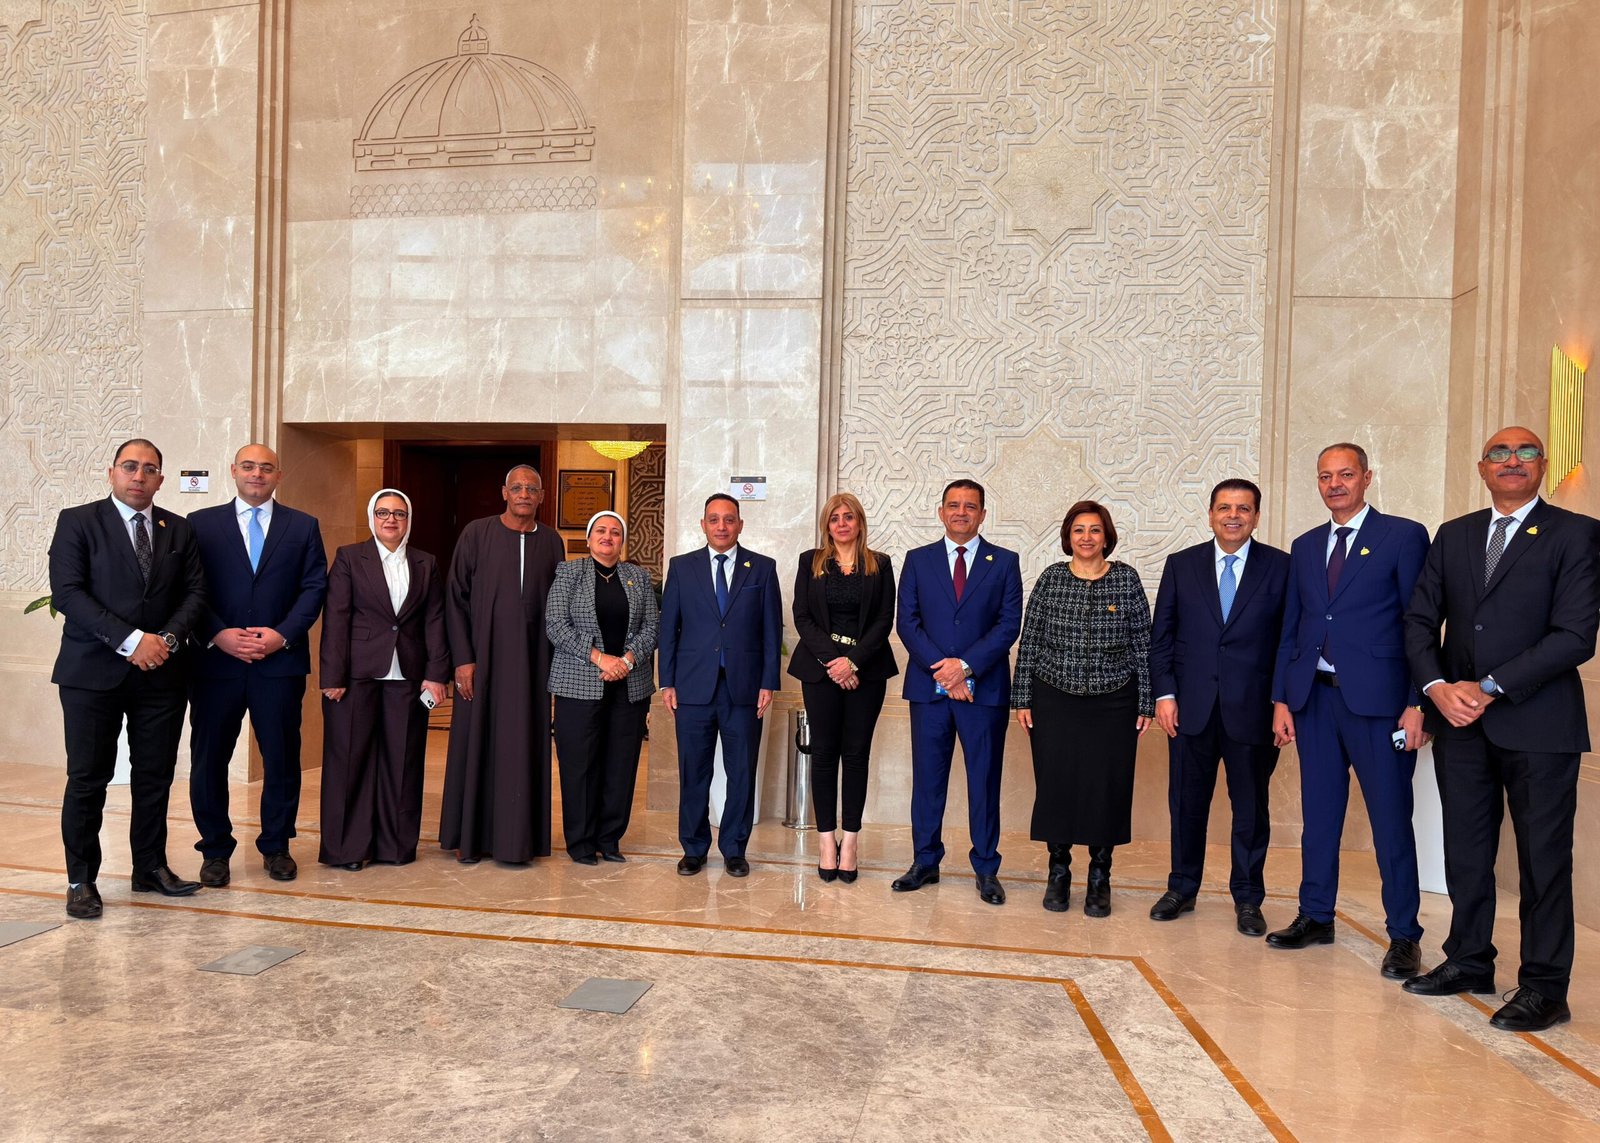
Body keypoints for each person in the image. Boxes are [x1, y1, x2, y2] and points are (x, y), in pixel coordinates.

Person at [1402, 427, 1600, 1032]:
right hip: (1459, 724)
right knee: (1466, 852)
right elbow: (1418, 621)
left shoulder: (1575, 533)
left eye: (1525, 452)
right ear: (1482, 468)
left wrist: (1487, 687)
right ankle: (1468, 960)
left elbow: (1575, 636)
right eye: (1499, 453)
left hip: (1539, 725)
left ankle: (1545, 988)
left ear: (1543, 465)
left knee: (1543, 862)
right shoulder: (1454, 534)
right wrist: (1437, 688)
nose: (1512, 461)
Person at [1268, 443, 1429, 981]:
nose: (1335, 484)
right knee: (1319, 818)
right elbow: (1293, 627)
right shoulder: (1305, 545)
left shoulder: (1403, 536)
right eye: (1325, 476)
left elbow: (1420, 625)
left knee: (1390, 821)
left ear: (1366, 477)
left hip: (1381, 705)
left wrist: (1417, 702)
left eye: (1345, 474)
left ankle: (1404, 934)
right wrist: (1282, 698)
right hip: (1314, 700)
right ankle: (1316, 915)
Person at [48, 439, 207, 917]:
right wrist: (132, 640)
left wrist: (166, 640)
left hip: (161, 674)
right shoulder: (78, 521)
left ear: (161, 480)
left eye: (150, 469)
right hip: (91, 673)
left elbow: (196, 593)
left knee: (155, 776)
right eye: (130, 466)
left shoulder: (178, 529)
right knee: (88, 778)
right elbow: (68, 592)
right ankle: (81, 880)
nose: (139, 476)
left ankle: (150, 867)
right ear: (112, 472)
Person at [1148, 479, 1289, 936]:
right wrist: (1165, 696)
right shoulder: (1181, 564)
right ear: (1210, 514)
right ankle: (1182, 888)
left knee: (1250, 811)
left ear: (1256, 517)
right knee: (1187, 805)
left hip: (1253, 711)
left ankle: (1248, 898)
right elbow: (1162, 637)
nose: (1233, 516)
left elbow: (1289, 642)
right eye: (1225, 507)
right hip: (1190, 709)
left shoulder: (1281, 567)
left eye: (1243, 509)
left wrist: (1283, 702)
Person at [185, 443, 328, 885]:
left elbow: (314, 588)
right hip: (216, 664)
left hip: (279, 664)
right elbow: (188, 588)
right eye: (248, 466)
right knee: (209, 759)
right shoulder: (199, 524)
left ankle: (277, 845)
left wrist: (282, 635)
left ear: (279, 476)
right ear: (233, 471)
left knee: (281, 759)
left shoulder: (302, 526)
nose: (257, 474)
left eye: (266, 468)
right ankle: (214, 850)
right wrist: (217, 633)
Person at [1013, 501, 1152, 917]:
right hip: (1054, 697)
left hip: (1115, 701)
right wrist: (1022, 697)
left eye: (1094, 530)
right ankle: (1058, 871)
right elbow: (1030, 641)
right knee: (1056, 785)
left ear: (1106, 536)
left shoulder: (1126, 579)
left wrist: (1147, 700)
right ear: (1068, 537)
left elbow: (1144, 645)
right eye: (1078, 530)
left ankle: (1099, 877)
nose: (1086, 537)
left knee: (1106, 787)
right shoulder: (1051, 579)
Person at [892, 479, 1023, 905]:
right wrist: (945, 671)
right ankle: (925, 861)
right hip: (929, 691)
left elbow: (1008, 625)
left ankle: (986, 867)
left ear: (983, 514)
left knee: (983, 781)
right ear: (941, 512)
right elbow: (907, 622)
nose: (961, 512)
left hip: (983, 692)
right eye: (953, 505)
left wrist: (964, 668)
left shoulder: (1004, 562)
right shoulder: (918, 560)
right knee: (928, 780)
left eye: (970, 506)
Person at [439, 465, 565, 863]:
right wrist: (463, 659)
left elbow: (557, 608)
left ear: (542, 496)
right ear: (504, 493)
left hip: (532, 666)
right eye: (517, 487)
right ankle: (470, 837)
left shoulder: (552, 541)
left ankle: (520, 840)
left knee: (524, 747)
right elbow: (455, 599)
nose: (524, 494)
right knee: (476, 743)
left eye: (532, 488)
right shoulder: (476, 533)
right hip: (483, 663)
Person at [318, 490, 449, 870]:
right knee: (350, 761)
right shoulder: (349, 557)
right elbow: (336, 617)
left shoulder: (426, 562)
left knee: (402, 762)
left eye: (399, 514)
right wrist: (333, 674)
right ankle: (348, 849)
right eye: (382, 513)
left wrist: (436, 673)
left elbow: (435, 619)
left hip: (408, 676)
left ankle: (395, 847)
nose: (391, 520)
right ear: (372, 518)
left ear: (409, 520)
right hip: (355, 675)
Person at [658, 493, 783, 877]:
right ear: (703, 525)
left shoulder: (762, 568)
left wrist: (768, 681)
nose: (722, 526)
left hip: (743, 690)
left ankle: (734, 849)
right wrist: (667, 681)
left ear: (740, 524)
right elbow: (669, 629)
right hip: (692, 688)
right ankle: (693, 849)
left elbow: (771, 631)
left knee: (741, 772)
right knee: (693, 771)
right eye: (714, 519)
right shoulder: (682, 568)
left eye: (729, 519)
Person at [787, 492, 898, 882]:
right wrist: (834, 662)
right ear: (827, 524)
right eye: (835, 518)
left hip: (866, 671)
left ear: (859, 522)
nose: (842, 523)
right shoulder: (811, 561)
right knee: (822, 754)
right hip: (821, 671)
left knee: (855, 756)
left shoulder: (880, 564)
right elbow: (802, 616)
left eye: (848, 517)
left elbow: (884, 619)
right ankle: (825, 842)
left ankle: (849, 843)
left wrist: (853, 662)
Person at [546, 511, 659, 864]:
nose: (607, 536)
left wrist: (626, 660)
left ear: (622, 540)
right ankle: (581, 843)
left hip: (629, 686)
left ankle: (609, 840)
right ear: (589, 537)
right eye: (600, 530)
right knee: (579, 766)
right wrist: (600, 659)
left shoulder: (638, 577)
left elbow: (652, 627)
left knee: (621, 765)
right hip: (578, 685)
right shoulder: (569, 573)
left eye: (615, 532)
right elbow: (556, 624)